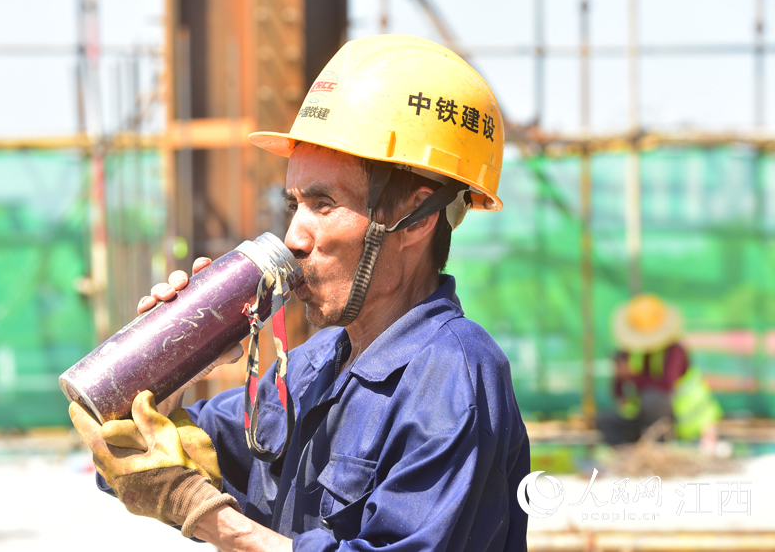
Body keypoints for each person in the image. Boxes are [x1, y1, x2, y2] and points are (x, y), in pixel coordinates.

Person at [70, 34, 530, 551]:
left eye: (324, 203)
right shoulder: (312, 368)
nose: (293, 237)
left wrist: (209, 518)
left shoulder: (451, 378)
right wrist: (171, 360)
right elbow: (129, 463)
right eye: (294, 204)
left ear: (414, 218)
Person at [597, 294, 721, 445]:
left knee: (652, 399)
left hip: (682, 421)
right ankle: (627, 455)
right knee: (605, 421)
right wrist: (620, 375)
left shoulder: (675, 351)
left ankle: (660, 446)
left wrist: (632, 376)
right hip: (644, 417)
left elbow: (666, 385)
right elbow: (619, 395)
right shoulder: (632, 351)